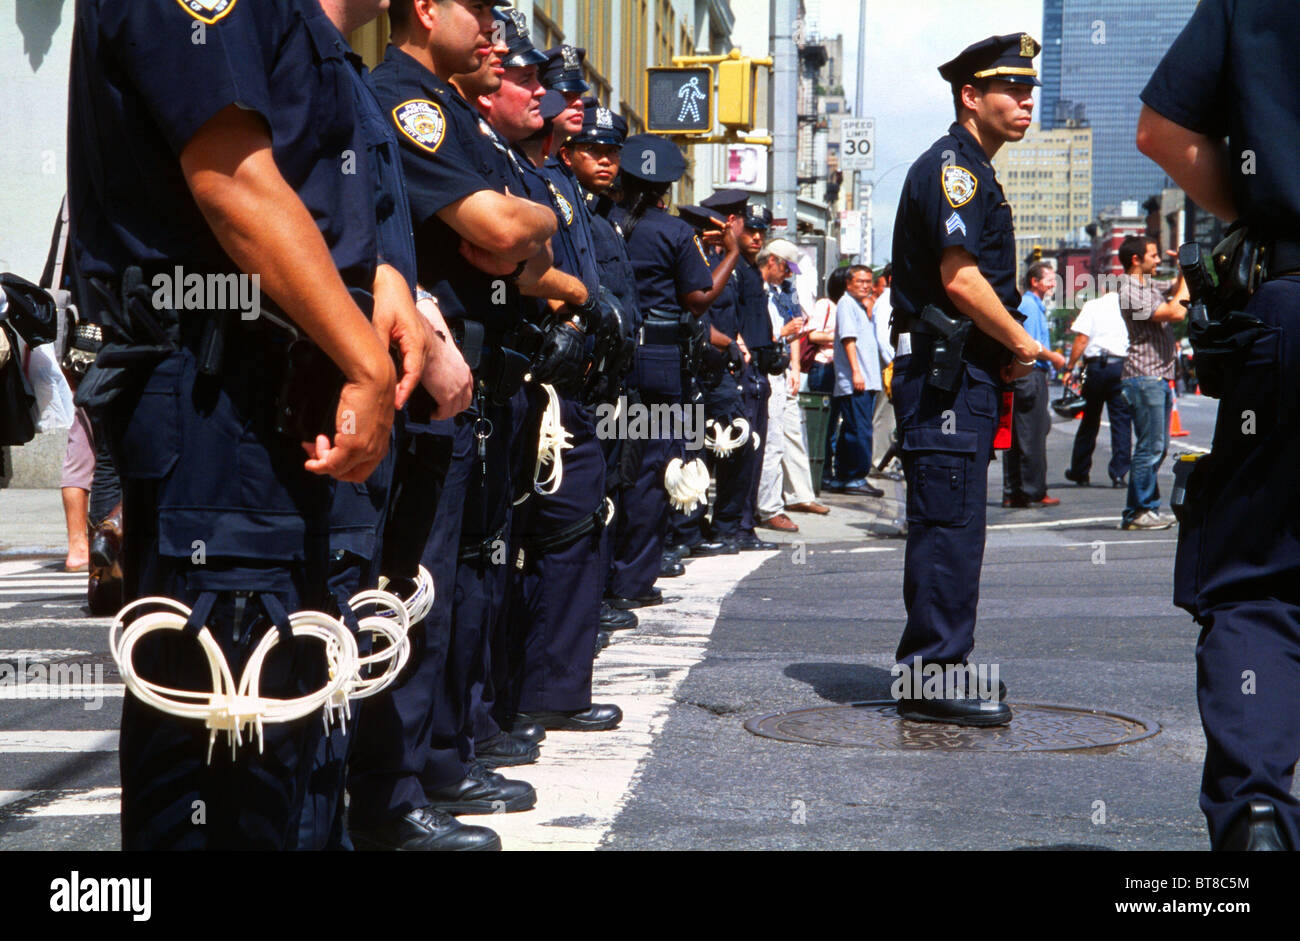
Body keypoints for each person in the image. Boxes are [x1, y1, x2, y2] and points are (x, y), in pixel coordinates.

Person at [68, 0, 431, 849]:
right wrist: (368, 365)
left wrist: (377, 280)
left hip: (269, 395)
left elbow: (313, 187)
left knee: (294, 719)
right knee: (230, 736)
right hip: (219, 401)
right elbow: (233, 182)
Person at [352, 0, 557, 851]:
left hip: (465, 375)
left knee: (454, 574)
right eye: (478, 9)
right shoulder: (410, 102)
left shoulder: (453, 113)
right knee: (414, 584)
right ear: (427, 10)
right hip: (421, 381)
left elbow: (527, 245)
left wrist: (529, 224)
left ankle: (432, 758)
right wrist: (525, 223)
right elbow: (500, 230)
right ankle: (391, 790)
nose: (495, 34)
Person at [1140, 0, 1300, 850]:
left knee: (1257, 577)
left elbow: (1159, 132)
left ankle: (1260, 816)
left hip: (1289, 302)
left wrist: (1269, 206)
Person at [888, 33, 1047, 726]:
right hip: (946, 378)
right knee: (948, 529)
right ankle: (931, 676)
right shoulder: (955, 169)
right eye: (1011, 89)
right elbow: (960, 278)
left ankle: (944, 664)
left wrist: (1005, 351)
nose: (1026, 100)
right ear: (970, 96)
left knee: (957, 527)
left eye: (1030, 89)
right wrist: (1022, 341)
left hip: (964, 373)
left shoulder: (974, 169)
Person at [1114, 235, 1186, 530]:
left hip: (1156, 376)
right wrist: (1186, 270)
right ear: (1136, 259)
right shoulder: (1129, 289)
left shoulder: (1148, 286)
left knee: (1158, 446)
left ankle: (1147, 508)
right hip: (1143, 377)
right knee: (1150, 447)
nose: (1158, 261)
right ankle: (1138, 511)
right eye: (1154, 256)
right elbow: (1175, 311)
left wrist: (1184, 269)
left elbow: (1178, 292)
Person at [755, 241, 811, 532]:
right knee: (770, 444)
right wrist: (782, 332)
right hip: (761, 369)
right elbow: (757, 332)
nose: (788, 275)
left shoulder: (782, 291)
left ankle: (770, 503)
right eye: (786, 269)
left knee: (779, 441)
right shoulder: (757, 289)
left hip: (779, 367)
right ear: (773, 262)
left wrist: (794, 364)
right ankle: (768, 508)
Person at [1002, 262, 1067, 508]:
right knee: (1031, 436)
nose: (1053, 284)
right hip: (1030, 376)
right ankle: (1032, 491)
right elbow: (1029, 344)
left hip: (1027, 376)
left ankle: (1015, 491)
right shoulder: (1029, 304)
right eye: (1049, 279)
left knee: (1020, 436)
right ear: (1034, 282)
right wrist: (1055, 357)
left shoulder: (1033, 306)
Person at [1062, 290, 1132, 488]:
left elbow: (1082, 339)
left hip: (1096, 368)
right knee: (1121, 420)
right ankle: (1119, 474)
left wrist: (1069, 368)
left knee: (1090, 419)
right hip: (1121, 366)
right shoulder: (1128, 308)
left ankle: (1080, 471)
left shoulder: (1093, 306)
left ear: (1103, 290)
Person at [826, 266, 884, 497]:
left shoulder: (859, 305)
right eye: (860, 281)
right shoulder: (846, 303)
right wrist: (856, 372)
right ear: (848, 283)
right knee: (860, 430)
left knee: (852, 429)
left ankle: (845, 476)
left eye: (869, 281)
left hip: (867, 379)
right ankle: (855, 477)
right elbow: (848, 339)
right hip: (857, 380)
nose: (865, 285)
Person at [869, 265, 901, 479]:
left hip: (894, 364)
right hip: (888, 366)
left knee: (893, 415)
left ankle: (887, 461)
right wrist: (894, 363)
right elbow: (883, 338)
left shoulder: (895, 299)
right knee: (884, 414)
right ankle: (879, 462)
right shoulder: (886, 301)